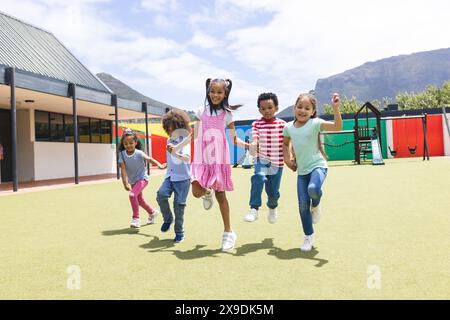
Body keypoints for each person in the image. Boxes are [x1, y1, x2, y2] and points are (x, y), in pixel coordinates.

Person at [173, 78, 250, 251]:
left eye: (219, 92)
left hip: (219, 158)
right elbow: (194, 134)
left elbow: (234, 139)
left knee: (221, 195)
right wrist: (176, 149)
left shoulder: (228, 114)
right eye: (212, 91)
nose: (215, 95)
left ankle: (228, 233)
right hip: (201, 157)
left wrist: (250, 146)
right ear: (208, 92)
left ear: (225, 94)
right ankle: (207, 192)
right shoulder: (201, 111)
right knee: (195, 190)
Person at [283, 93, 342, 251]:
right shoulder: (288, 127)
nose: (302, 110)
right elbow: (285, 143)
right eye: (299, 107)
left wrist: (336, 109)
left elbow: (337, 127)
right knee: (302, 205)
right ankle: (308, 237)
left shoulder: (315, 123)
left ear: (313, 111)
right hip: (302, 172)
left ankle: (316, 205)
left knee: (313, 189)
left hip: (318, 166)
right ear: (295, 108)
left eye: (307, 108)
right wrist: (288, 160)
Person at [244, 92, 286, 224]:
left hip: (277, 164)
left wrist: (292, 157)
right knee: (258, 177)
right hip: (261, 161)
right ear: (259, 110)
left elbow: (287, 143)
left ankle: (273, 208)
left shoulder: (283, 124)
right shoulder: (256, 124)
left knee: (273, 193)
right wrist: (254, 144)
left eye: (269, 107)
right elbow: (255, 137)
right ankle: (254, 209)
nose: (266, 111)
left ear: (276, 108)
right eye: (263, 108)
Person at [119, 129, 166, 228]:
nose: (128, 145)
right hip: (132, 181)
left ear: (136, 142)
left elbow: (149, 159)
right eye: (126, 143)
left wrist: (159, 165)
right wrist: (125, 183)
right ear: (123, 144)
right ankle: (152, 212)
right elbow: (123, 169)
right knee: (139, 201)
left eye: (131, 143)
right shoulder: (122, 154)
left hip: (142, 179)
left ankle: (136, 219)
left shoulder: (139, 153)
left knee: (132, 196)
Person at [157, 110, 192, 243]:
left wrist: (175, 152)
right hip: (169, 176)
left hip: (183, 179)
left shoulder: (185, 141)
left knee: (179, 205)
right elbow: (171, 159)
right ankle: (168, 219)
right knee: (161, 195)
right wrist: (166, 163)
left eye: (174, 129)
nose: (171, 132)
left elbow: (187, 159)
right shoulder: (168, 140)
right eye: (169, 130)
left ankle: (179, 232)